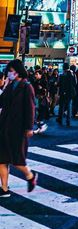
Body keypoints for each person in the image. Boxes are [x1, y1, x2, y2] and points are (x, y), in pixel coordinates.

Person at [0, 59, 38, 197]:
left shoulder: (27, 87)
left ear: (17, 71)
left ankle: (30, 176)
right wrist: (4, 86)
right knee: (2, 159)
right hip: (4, 127)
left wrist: (29, 127)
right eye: (8, 72)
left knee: (17, 160)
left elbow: (30, 109)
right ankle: (4, 189)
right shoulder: (10, 86)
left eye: (10, 71)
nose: (9, 74)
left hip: (18, 128)